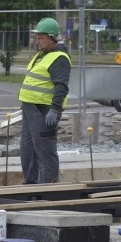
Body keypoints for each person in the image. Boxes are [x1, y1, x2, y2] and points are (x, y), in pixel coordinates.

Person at [19, 18, 71, 184]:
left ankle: (49, 187)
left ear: (52, 37)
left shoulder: (59, 58)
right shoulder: (42, 55)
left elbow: (61, 87)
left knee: (45, 151)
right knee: (27, 150)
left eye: (40, 37)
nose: (37, 41)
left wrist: (55, 110)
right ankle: (31, 184)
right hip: (30, 109)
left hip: (43, 111)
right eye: (36, 37)